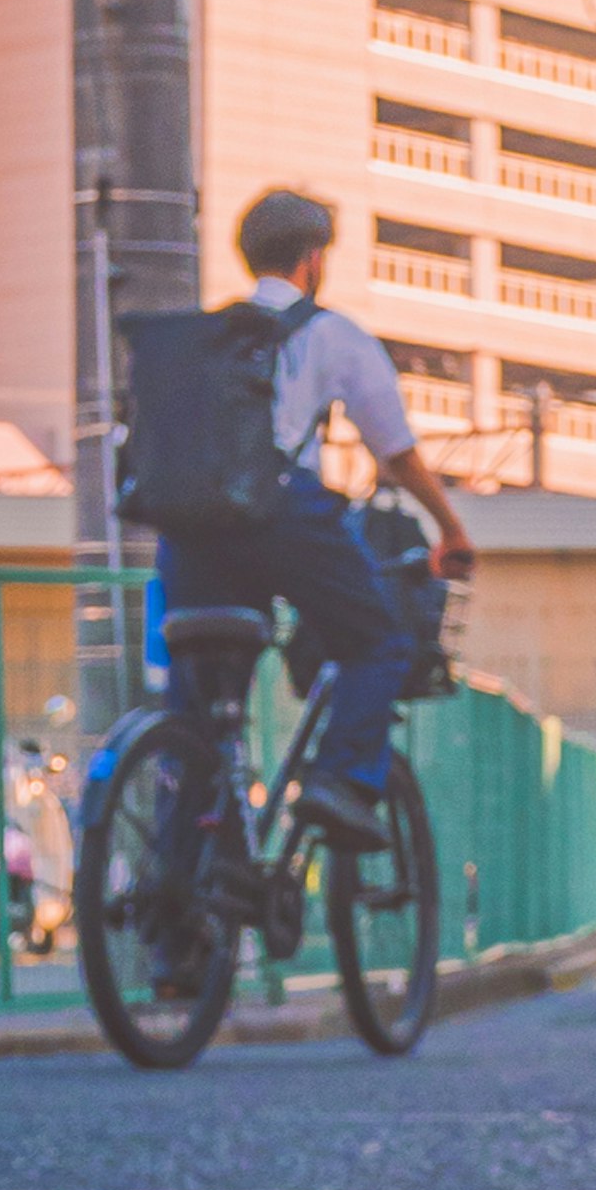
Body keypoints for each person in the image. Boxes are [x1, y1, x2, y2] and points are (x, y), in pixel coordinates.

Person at [150, 189, 477, 829]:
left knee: (198, 709)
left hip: (190, 531)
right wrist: (451, 529)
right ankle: (340, 782)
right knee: (377, 639)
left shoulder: (204, 336)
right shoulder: (331, 334)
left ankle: (179, 886)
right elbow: (397, 453)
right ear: (313, 259)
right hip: (279, 514)